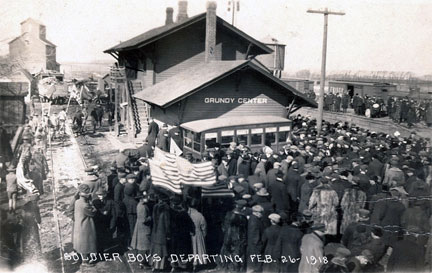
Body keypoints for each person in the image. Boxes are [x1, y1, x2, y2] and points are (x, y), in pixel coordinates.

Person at [72, 184, 97, 267]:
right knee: (85, 243)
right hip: (85, 226)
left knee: (81, 243)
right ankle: (85, 262)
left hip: (79, 225)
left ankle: (83, 258)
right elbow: (93, 212)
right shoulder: (85, 205)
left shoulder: (77, 202)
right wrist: (92, 204)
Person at [130, 192, 152, 268]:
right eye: (146, 197)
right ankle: (143, 263)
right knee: (144, 246)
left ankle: (141, 262)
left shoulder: (140, 205)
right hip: (144, 228)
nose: (148, 198)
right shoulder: (142, 207)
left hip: (140, 227)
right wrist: (151, 217)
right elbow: (144, 220)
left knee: (141, 246)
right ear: (142, 198)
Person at [92, 188, 116, 253]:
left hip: (107, 224)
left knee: (107, 239)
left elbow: (113, 215)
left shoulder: (110, 202)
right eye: (99, 195)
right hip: (98, 224)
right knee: (99, 240)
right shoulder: (95, 202)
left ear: (105, 195)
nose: (100, 197)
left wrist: (112, 225)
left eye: (102, 195)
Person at [188, 199, 208, 271]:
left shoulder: (188, 214)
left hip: (189, 234)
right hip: (198, 233)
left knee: (192, 248)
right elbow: (204, 226)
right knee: (198, 248)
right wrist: (204, 234)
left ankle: (191, 263)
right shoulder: (200, 215)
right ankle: (197, 263)